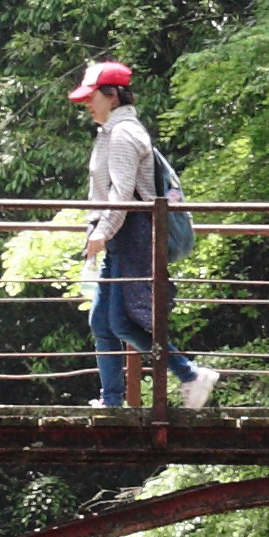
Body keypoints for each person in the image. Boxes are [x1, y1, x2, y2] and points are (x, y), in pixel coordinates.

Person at [73, 60, 216, 411]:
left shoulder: (123, 134)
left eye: (92, 96)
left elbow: (121, 195)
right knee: (101, 322)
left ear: (112, 95)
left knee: (122, 322)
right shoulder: (112, 130)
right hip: (122, 238)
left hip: (132, 237)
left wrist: (101, 233)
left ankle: (190, 373)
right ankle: (111, 400)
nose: (87, 104)